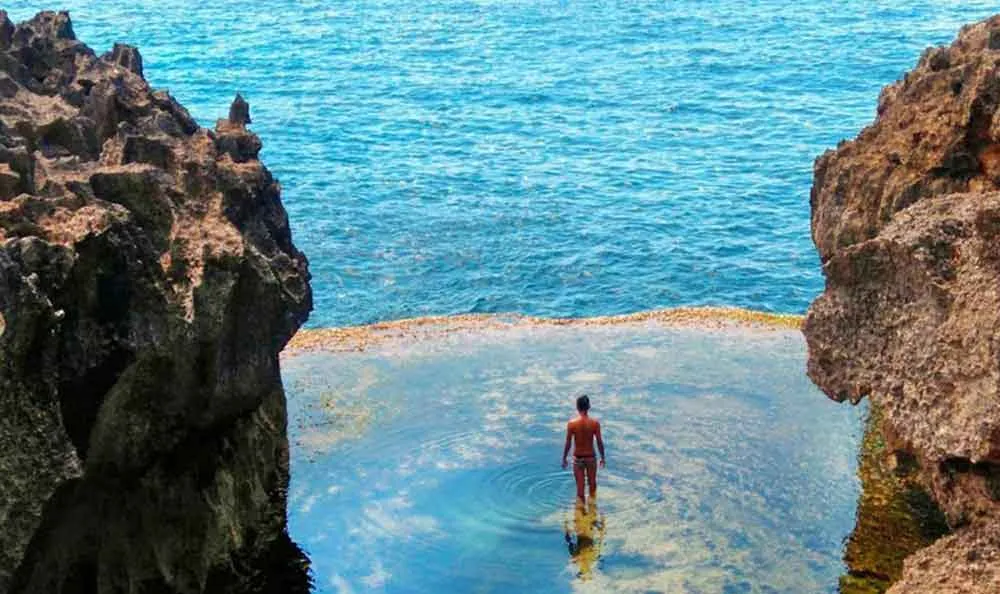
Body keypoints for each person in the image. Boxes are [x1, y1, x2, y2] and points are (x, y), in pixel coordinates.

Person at [561, 394, 606, 501]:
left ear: (577, 407)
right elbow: (599, 442)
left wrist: (564, 458)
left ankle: (580, 513)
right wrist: (603, 458)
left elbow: (568, 443)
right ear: (589, 406)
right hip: (591, 458)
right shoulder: (595, 423)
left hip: (578, 459)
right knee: (592, 485)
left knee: (580, 491)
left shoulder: (572, 424)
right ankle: (593, 509)